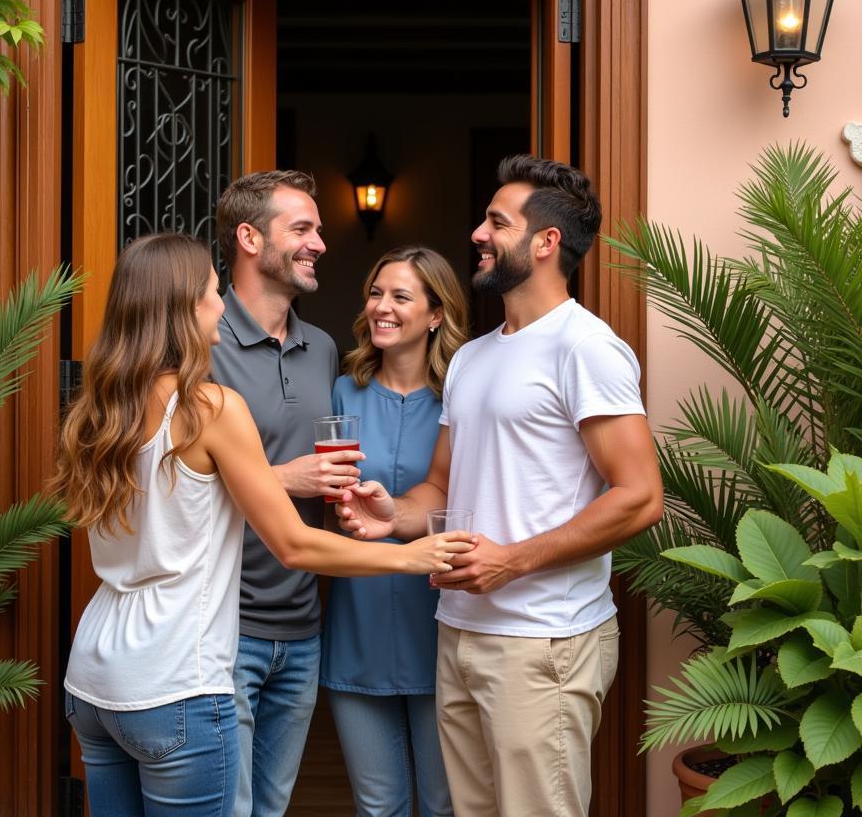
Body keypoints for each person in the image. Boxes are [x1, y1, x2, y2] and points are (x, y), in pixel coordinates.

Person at [54, 233, 474, 817]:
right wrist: (415, 556)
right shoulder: (212, 408)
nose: (222, 305)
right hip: (178, 678)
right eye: (209, 292)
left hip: (95, 680)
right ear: (181, 308)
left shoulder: (98, 408)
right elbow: (295, 544)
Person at [337, 155, 663, 817]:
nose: (478, 234)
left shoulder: (586, 348)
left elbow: (640, 496)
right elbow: (439, 488)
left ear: (546, 243)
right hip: (459, 631)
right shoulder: (474, 358)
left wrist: (510, 562)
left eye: (496, 222)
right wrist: (391, 515)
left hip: (543, 640)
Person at [210, 170, 366, 817]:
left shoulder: (322, 347)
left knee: (269, 809)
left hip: (303, 630)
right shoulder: (200, 341)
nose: (320, 244)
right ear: (249, 238)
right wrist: (286, 479)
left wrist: (349, 501)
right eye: (302, 229)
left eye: (319, 230)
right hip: (223, 626)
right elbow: (165, 479)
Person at [320, 246, 469, 817]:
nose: (381, 307)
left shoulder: (463, 397)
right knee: (378, 804)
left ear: (436, 315)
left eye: (400, 296)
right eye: (376, 293)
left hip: (441, 626)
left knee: (442, 804)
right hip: (357, 626)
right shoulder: (341, 393)